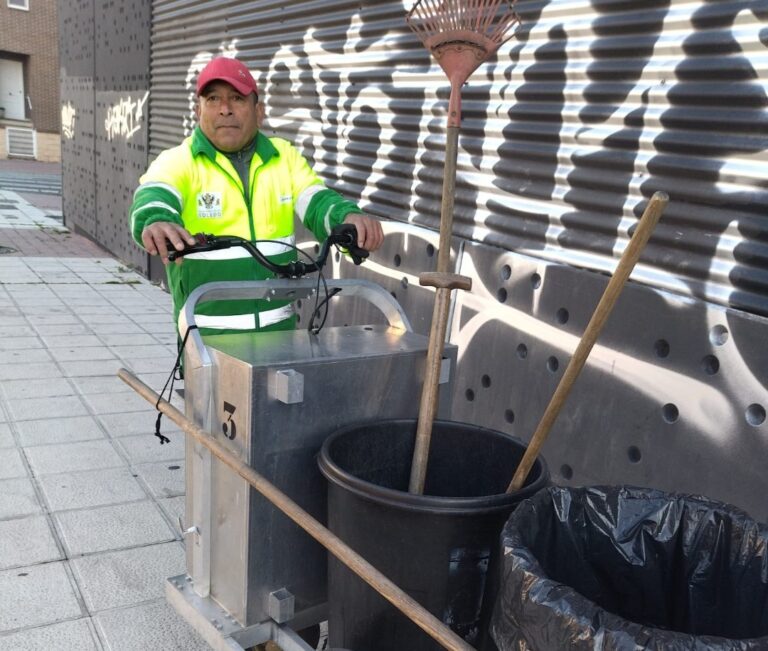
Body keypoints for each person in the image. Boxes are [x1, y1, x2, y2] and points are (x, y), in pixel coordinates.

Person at [129, 56, 384, 335]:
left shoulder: (283, 156)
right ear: (197, 110)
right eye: (213, 99)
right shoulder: (179, 160)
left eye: (237, 98)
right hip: (207, 341)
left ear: (258, 110)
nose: (225, 109)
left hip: (281, 334)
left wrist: (346, 217)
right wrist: (155, 219)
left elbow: (316, 200)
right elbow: (155, 194)